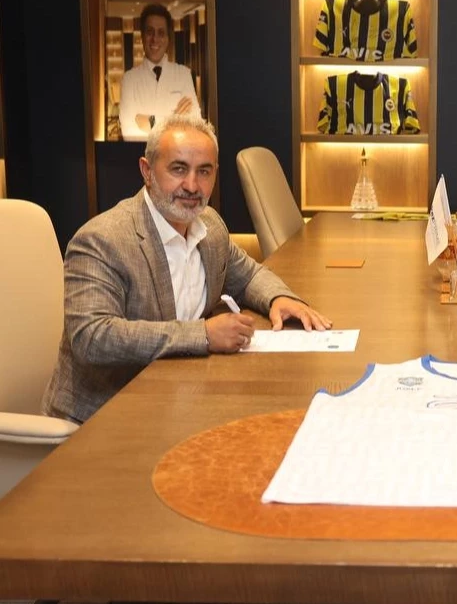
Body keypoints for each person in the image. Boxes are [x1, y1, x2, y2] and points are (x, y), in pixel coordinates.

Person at [42, 115, 331, 423]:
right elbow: (93, 337)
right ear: (147, 171)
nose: (192, 186)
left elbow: (248, 275)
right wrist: (202, 335)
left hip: (179, 397)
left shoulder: (210, 226)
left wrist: (278, 298)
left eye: (204, 171)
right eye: (178, 169)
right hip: (104, 417)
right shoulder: (102, 240)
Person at [118, 3, 200, 141]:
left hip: (176, 155)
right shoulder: (129, 79)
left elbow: (195, 124)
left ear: (168, 38)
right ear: (142, 36)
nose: (155, 39)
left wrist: (151, 122)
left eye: (161, 33)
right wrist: (175, 119)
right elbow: (128, 132)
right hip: (141, 154)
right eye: (150, 32)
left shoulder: (183, 74)